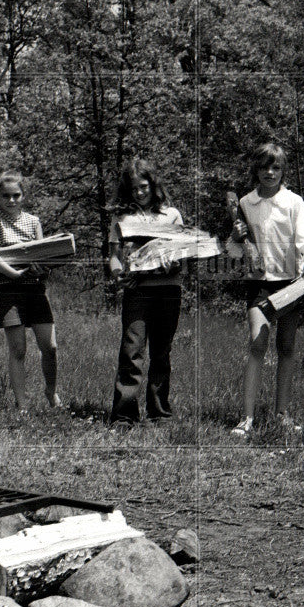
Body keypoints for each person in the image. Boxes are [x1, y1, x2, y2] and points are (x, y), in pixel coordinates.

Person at [231, 143, 304, 437]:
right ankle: (247, 419)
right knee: (257, 344)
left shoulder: (294, 203)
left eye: (276, 167)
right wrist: (235, 237)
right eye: (264, 167)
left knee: (286, 347)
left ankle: (282, 413)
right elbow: (234, 251)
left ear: (283, 171)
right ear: (255, 170)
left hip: (290, 283)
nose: (269, 173)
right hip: (259, 282)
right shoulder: (245, 204)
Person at [107, 159, 184, 426]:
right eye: (133, 188)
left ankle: (159, 412)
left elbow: (183, 254)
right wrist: (119, 276)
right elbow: (114, 258)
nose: (139, 193)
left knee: (162, 352)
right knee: (132, 351)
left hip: (168, 290)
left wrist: (175, 262)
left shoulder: (172, 215)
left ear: (153, 185)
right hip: (137, 292)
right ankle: (124, 415)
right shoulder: (122, 218)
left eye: (144, 186)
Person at [0, 171, 62, 413]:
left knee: (50, 347)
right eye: (6, 195)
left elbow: (42, 257)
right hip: (8, 290)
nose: (11, 200)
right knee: (18, 349)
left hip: (35, 290)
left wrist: (39, 268)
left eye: (16, 195)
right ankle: (22, 405)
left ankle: (51, 391)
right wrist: (12, 273)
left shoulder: (33, 221)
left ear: (24, 196)